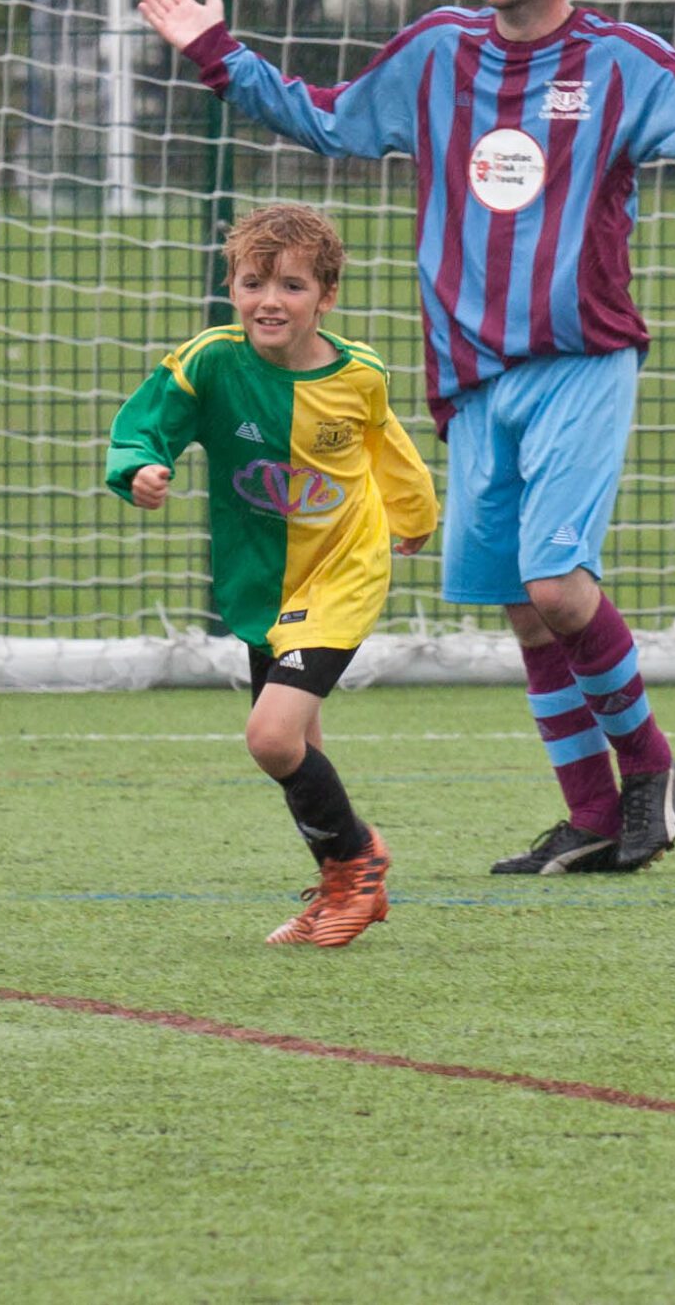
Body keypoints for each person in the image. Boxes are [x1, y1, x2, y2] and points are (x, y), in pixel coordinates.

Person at [136, 0, 675, 876]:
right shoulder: (436, 51)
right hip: (470, 375)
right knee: (522, 601)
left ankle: (651, 769)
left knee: (557, 582)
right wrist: (218, 52)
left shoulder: (620, 61)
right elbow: (327, 120)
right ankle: (591, 814)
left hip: (579, 358)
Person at [107, 203, 438, 948]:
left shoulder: (359, 374)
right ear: (231, 287)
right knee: (299, 745)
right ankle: (339, 883)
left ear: (326, 297)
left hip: (344, 572)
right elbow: (144, 424)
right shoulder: (210, 361)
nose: (269, 301)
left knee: (270, 737)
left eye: (292, 285)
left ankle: (359, 861)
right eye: (253, 283)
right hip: (264, 579)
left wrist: (414, 514)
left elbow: (388, 446)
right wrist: (139, 469)